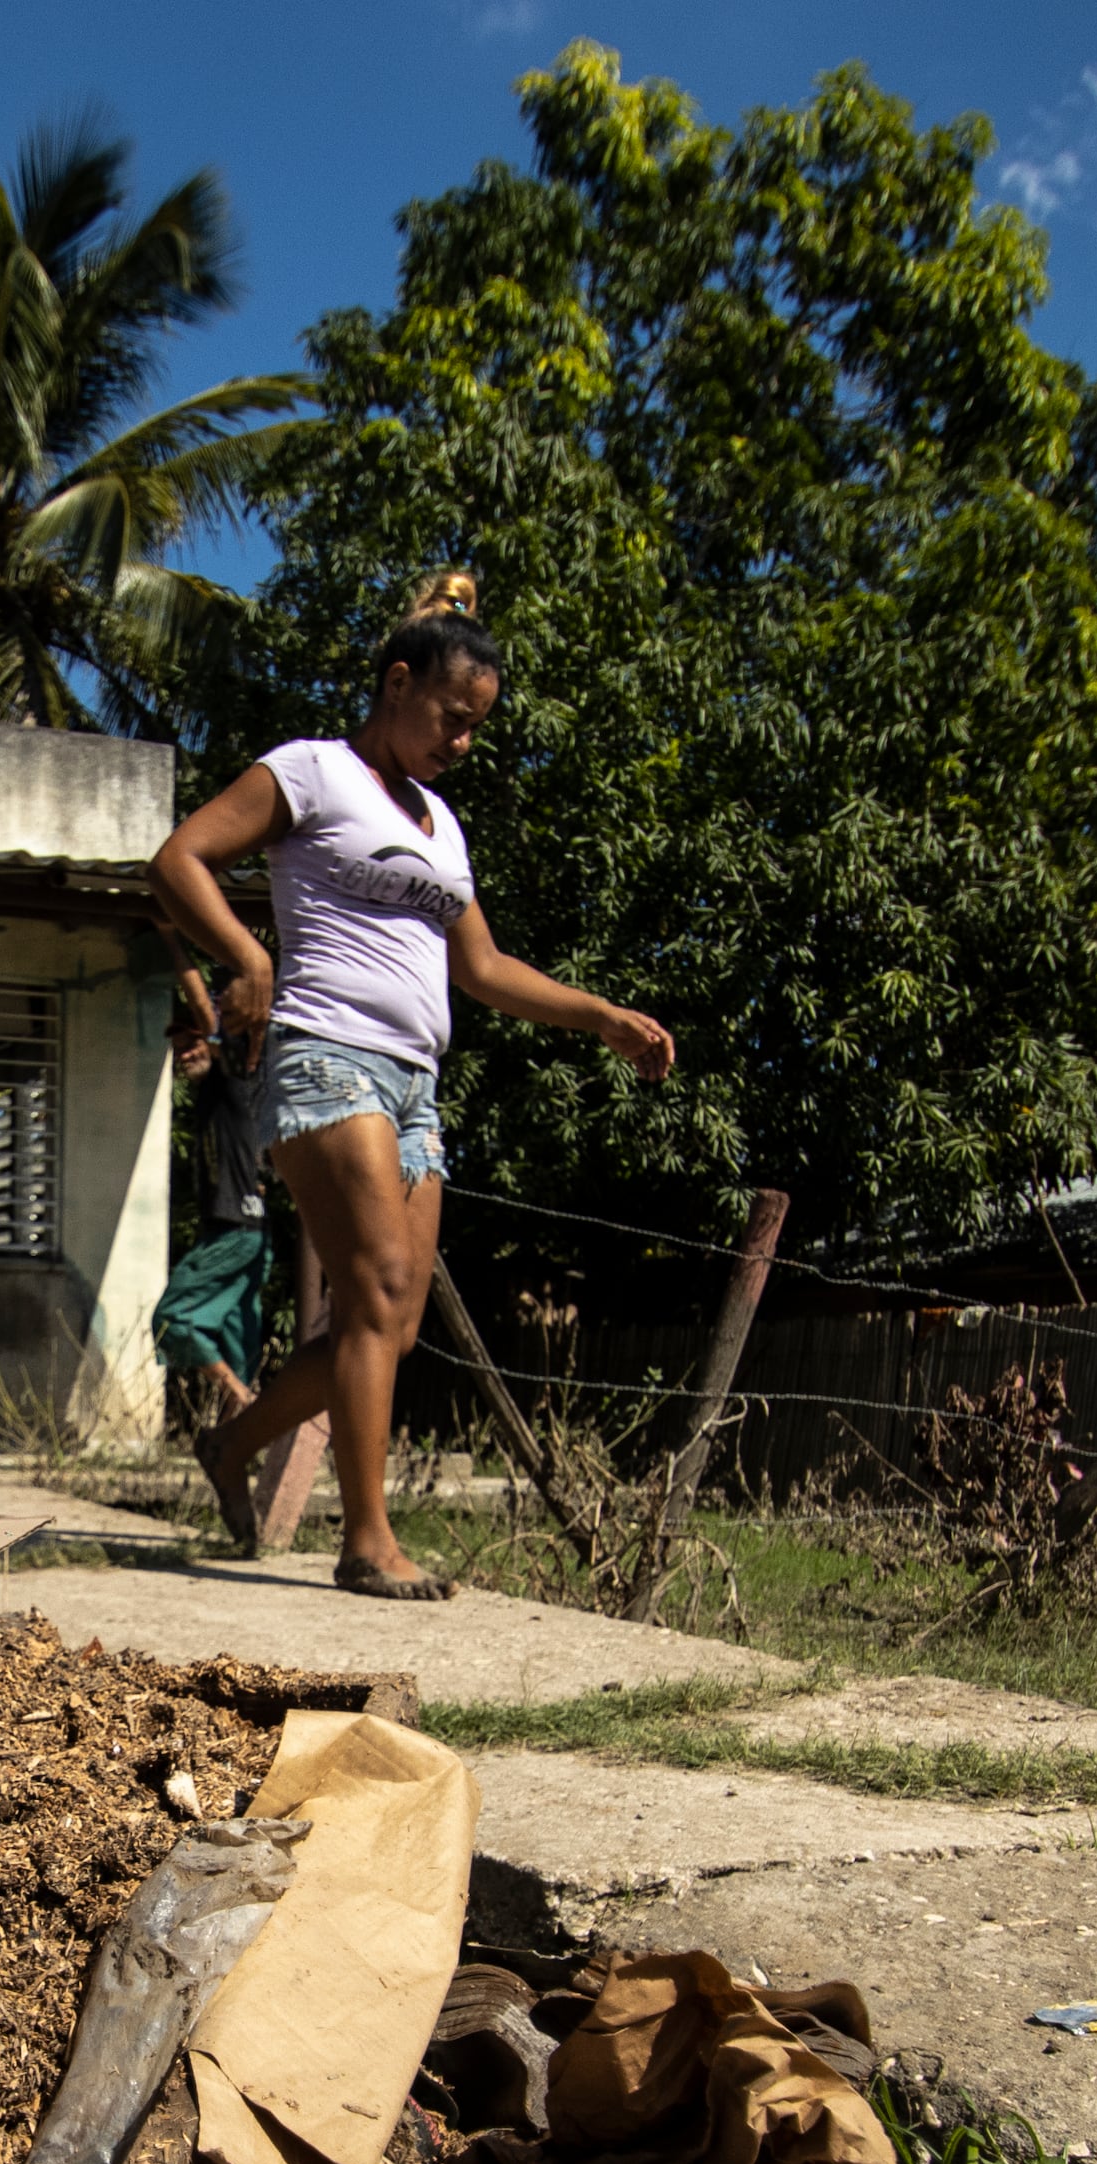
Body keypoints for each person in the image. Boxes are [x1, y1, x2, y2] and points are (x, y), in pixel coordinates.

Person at [150, 567, 673, 1599]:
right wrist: (248, 963)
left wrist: (599, 1016)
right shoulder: (309, 772)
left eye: (476, 726)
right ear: (396, 683)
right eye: (450, 716)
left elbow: (478, 969)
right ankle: (366, 1543)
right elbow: (179, 859)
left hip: (414, 1085)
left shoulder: (440, 821)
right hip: (322, 1056)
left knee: (378, 1321)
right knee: (383, 1287)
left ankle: (230, 1445)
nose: (461, 742)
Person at [146, 968, 278, 1423]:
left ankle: (241, 1400)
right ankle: (237, 1440)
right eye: (178, 1046)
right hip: (249, 1235)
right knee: (237, 1341)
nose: (185, 1053)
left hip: (234, 1230)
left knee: (172, 1316)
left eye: (193, 1042)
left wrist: (177, 949)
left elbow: (210, 1018)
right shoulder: (211, 1098)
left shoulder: (231, 1080)